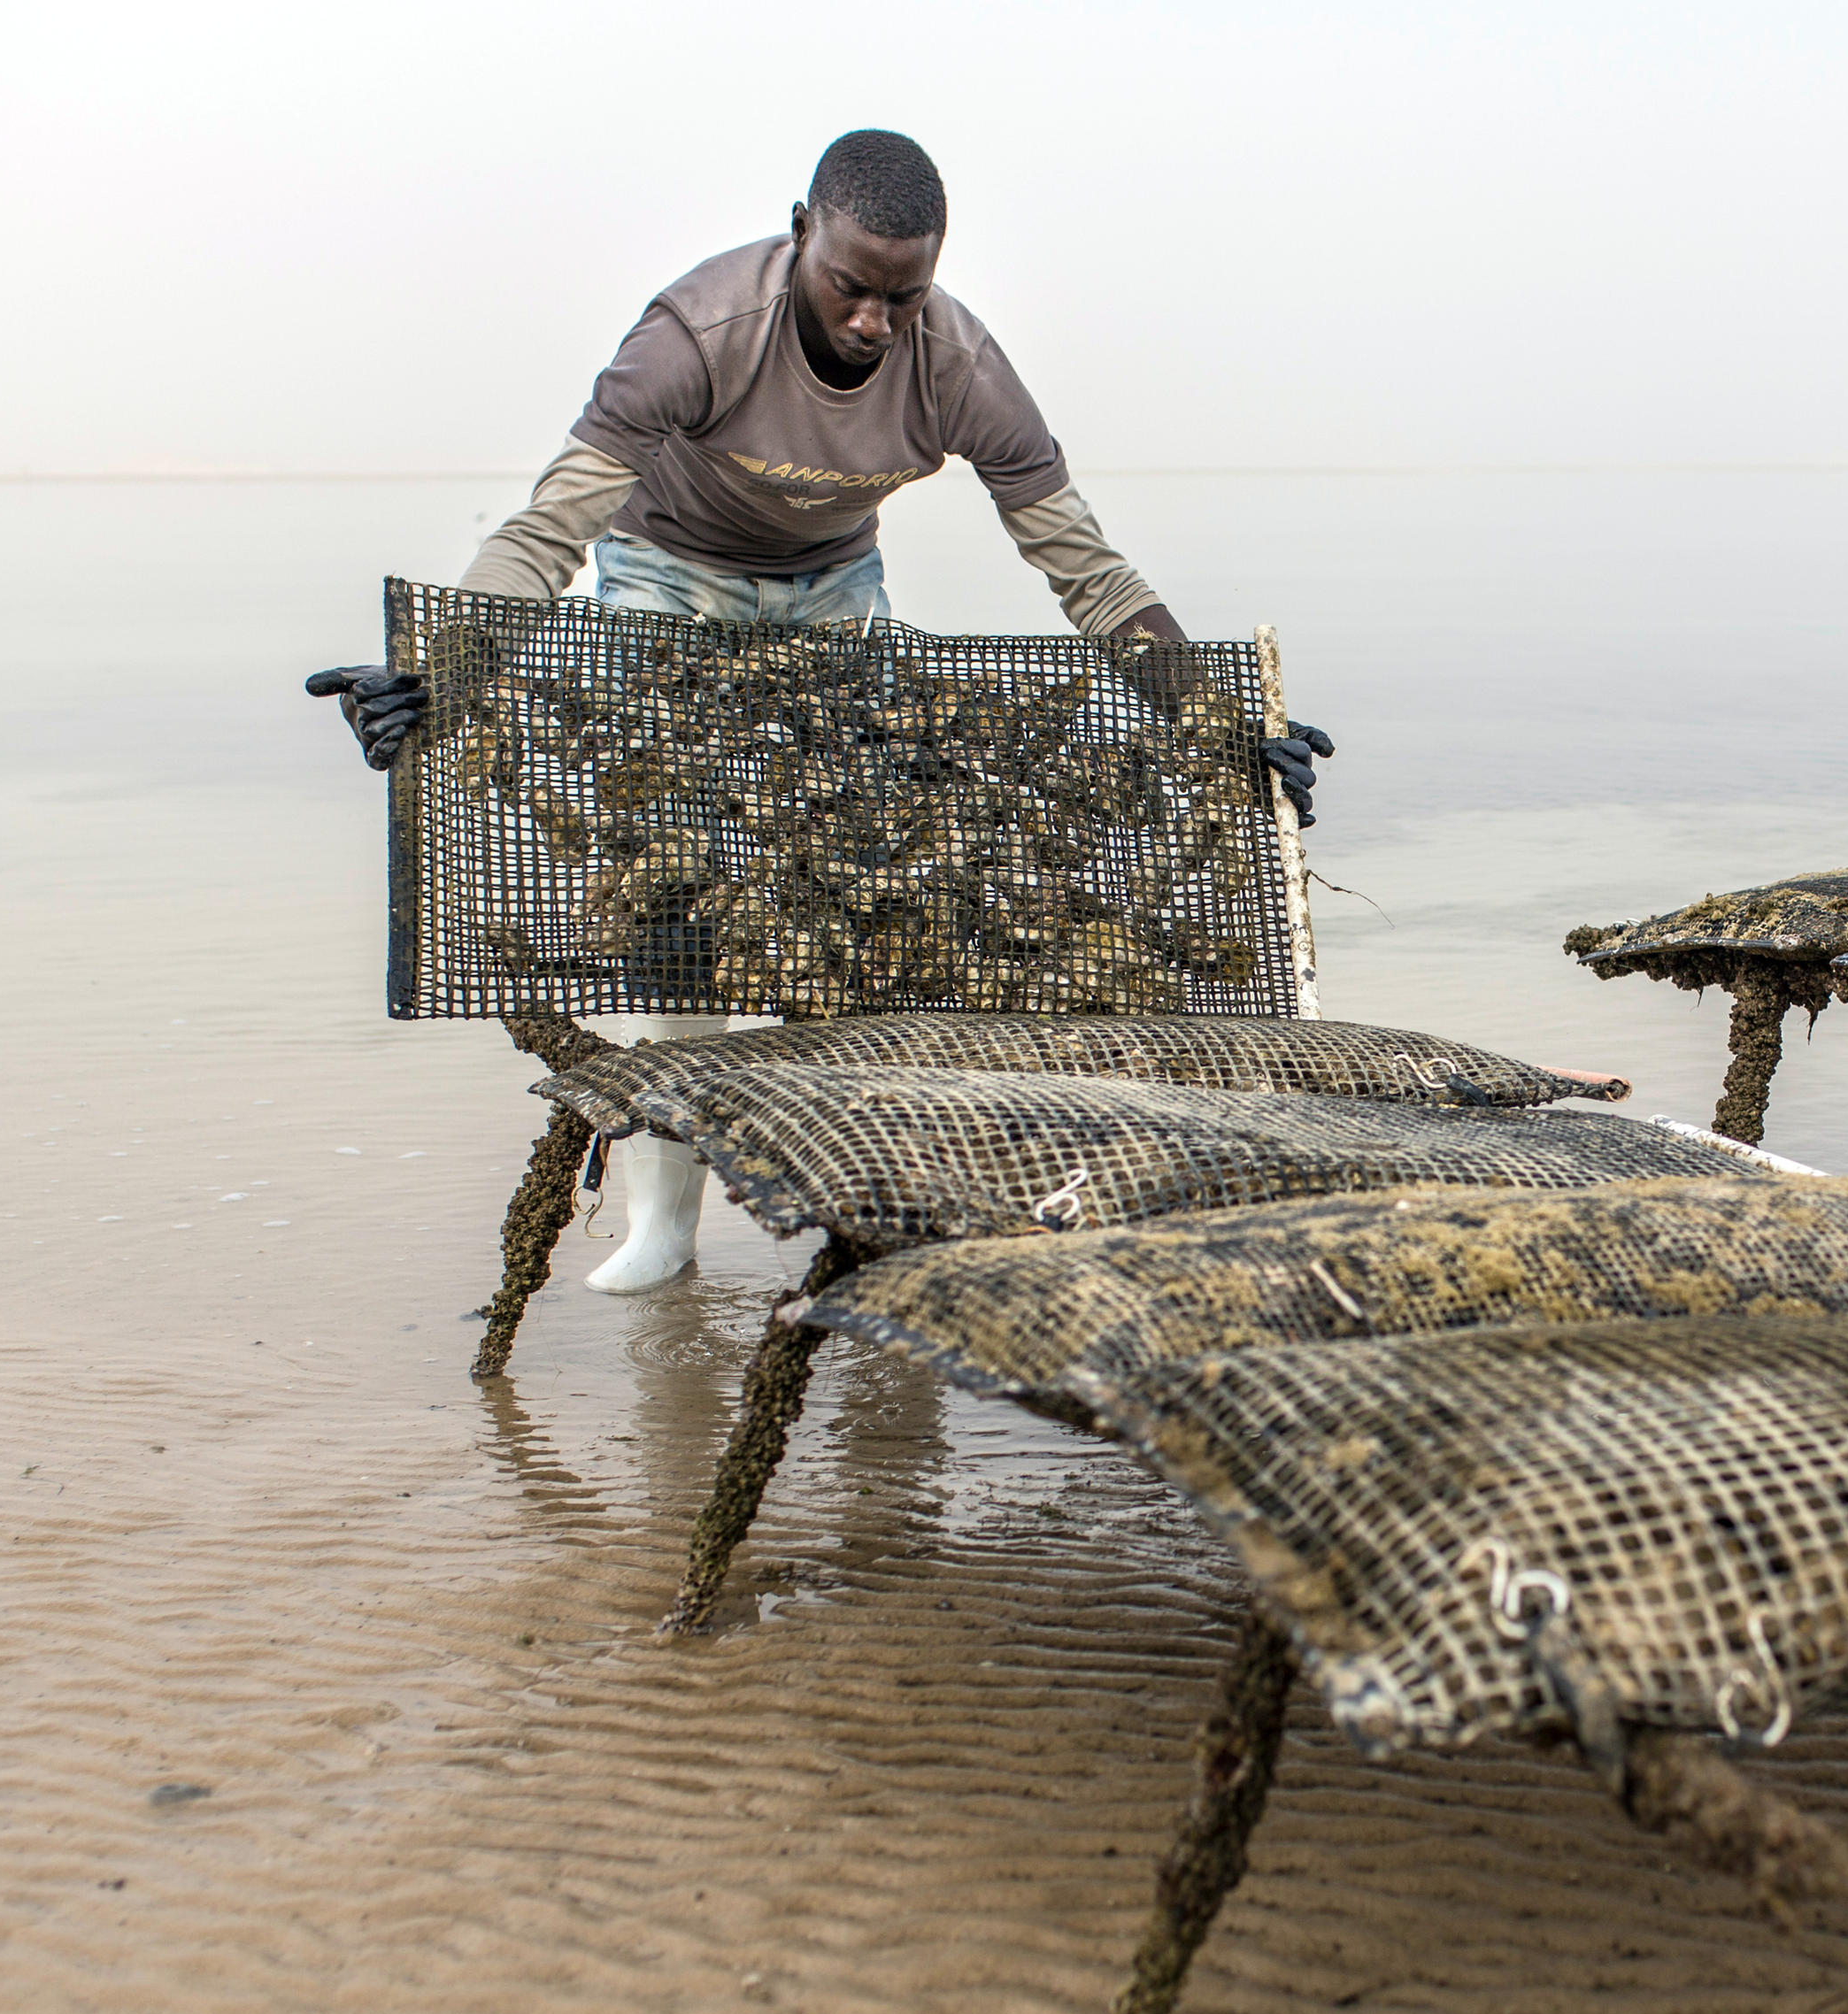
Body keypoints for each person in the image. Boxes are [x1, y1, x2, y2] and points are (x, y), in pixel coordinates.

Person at [308, 127, 1330, 1293]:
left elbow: (1086, 570)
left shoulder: (961, 366)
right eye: (852, 287)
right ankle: (665, 1224)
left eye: (905, 296)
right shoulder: (696, 334)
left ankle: (877, 1192)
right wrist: (443, 675)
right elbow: (551, 530)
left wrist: (1216, 721)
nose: (873, 325)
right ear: (803, 231)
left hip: (835, 591)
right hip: (667, 577)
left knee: (872, 882)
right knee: (680, 897)